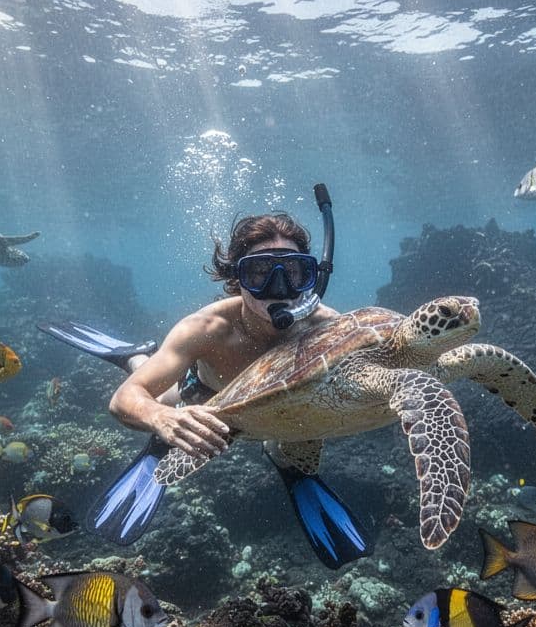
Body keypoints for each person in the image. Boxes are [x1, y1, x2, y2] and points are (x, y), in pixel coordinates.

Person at [41, 205, 373, 569]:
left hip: (285, 413)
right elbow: (124, 399)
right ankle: (137, 358)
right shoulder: (207, 328)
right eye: (259, 272)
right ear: (236, 278)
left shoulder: (330, 328)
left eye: (293, 271)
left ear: (311, 276)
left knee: (291, 442)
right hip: (206, 398)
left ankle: (287, 462)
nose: (279, 289)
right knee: (166, 398)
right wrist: (162, 420)